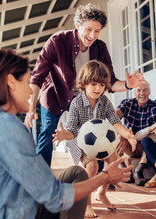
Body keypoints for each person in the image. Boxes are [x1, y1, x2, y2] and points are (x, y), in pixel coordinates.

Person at [0, 49, 139, 219]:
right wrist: (103, 178)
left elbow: (34, 189)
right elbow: (54, 197)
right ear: (10, 82)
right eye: (26, 81)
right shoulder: (5, 127)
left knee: (76, 173)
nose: (31, 90)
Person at [25, 3, 143, 166]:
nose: (92, 35)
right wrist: (31, 107)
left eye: (97, 31)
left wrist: (128, 85)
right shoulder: (58, 40)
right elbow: (37, 76)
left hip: (84, 98)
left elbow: (110, 82)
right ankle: (40, 176)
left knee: (97, 131)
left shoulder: (100, 47)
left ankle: (101, 176)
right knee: (48, 133)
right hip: (56, 96)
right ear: (78, 25)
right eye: (88, 29)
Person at [53, 60, 137, 218]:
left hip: (100, 141)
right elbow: (71, 129)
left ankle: (102, 193)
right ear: (84, 84)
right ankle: (86, 203)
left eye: (101, 85)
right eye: (93, 84)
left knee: (114, 162)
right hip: (78, 141)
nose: (98, 88)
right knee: (91, 167)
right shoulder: (77, 103)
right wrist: (64, 135)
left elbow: (115, 122)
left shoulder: (104, 101)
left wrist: (127, 135)